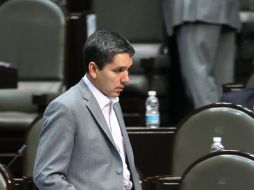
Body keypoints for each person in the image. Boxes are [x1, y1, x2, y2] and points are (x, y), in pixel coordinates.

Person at [33, 30, 142, 190]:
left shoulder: (113, 100)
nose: (126, 79)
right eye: (118, 70)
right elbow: (46, 176)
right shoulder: (65, 108)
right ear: (93, 69)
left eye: (127, 69)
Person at [162, 0, 241, 108]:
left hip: (194, 10)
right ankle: (229, 122)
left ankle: (213, 123)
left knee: (198, 76)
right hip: (227, 10)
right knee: (224, 82)